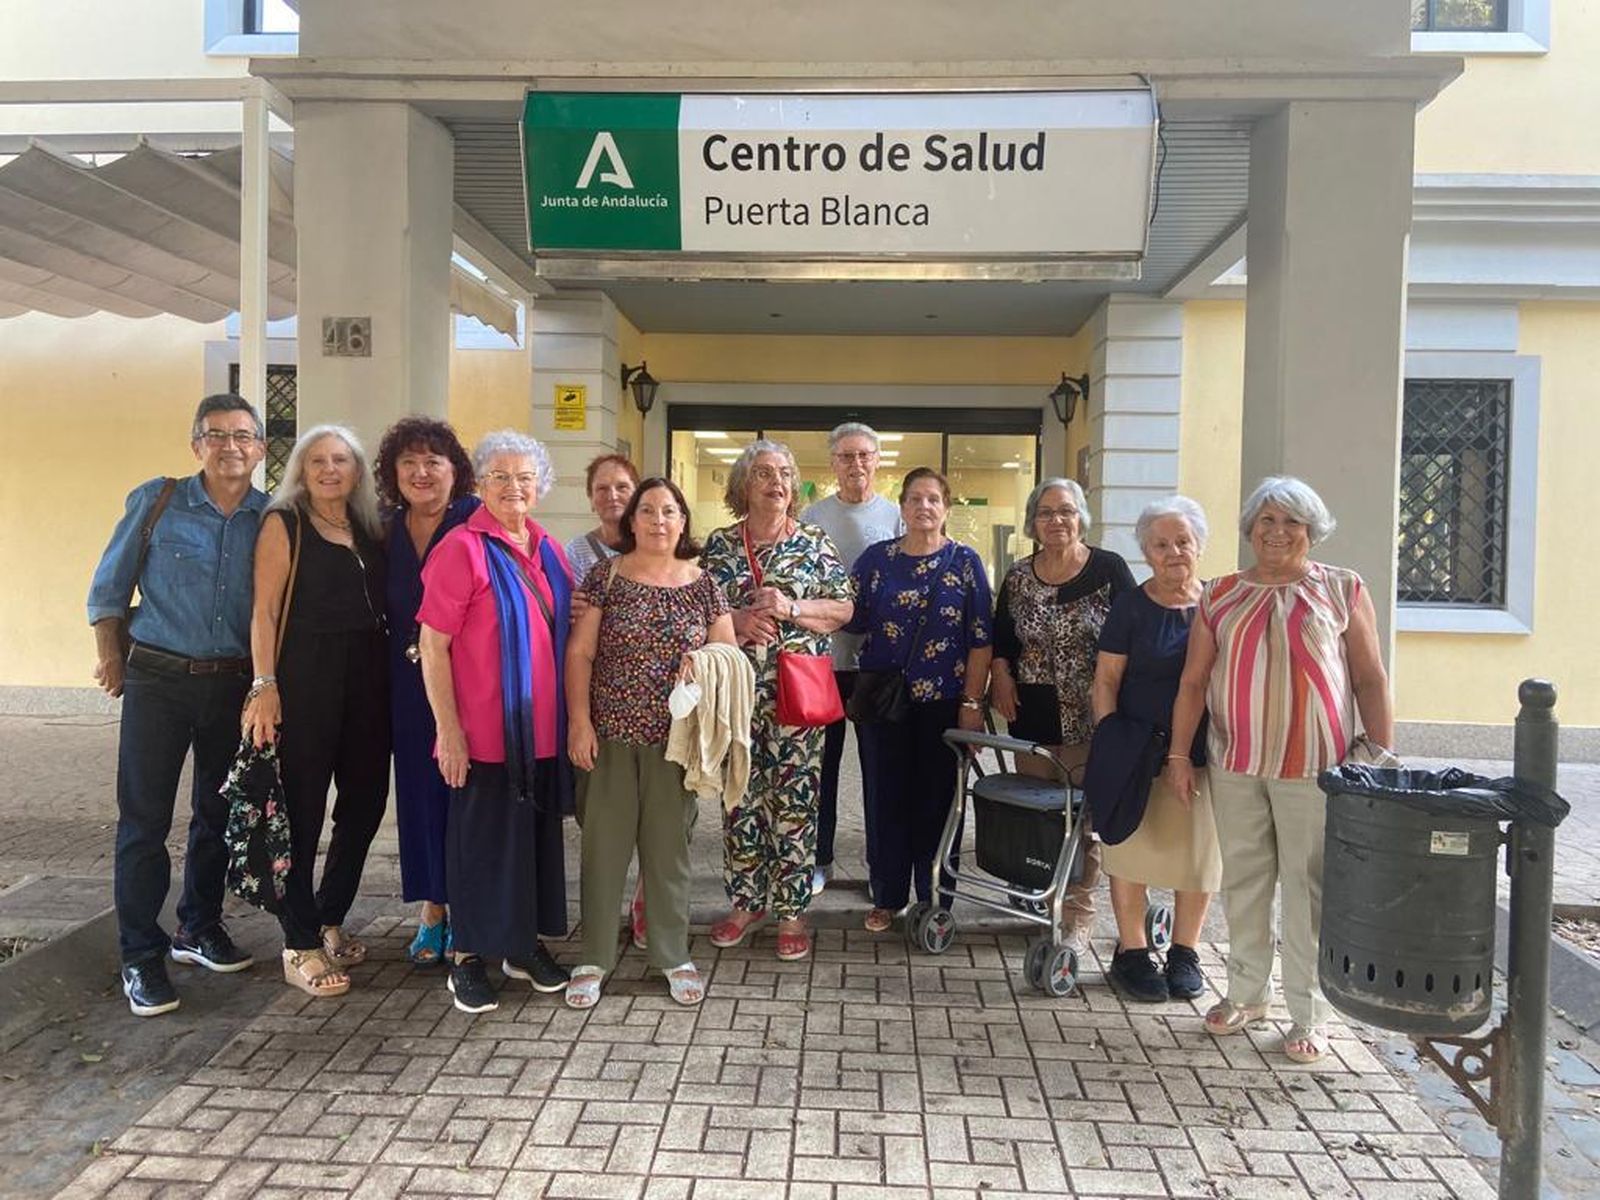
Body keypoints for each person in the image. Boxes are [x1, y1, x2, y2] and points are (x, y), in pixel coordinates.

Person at [1168, 476, 1394, 1064]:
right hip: (1236, 761)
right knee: (1244, 881)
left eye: (1292, 521)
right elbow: (1193, 681)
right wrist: (1178, 755)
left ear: (1311, 530)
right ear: (1250, 528)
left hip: (1315, 768)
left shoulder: (1342, 589)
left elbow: (1370, 679)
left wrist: (1380, 757)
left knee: (1308, 888)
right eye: (1266, 520)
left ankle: (1309, 1012)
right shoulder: (1219, 595)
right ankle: (1247, 994)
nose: (1277, 531)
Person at [88, 394, 268, 1016]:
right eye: (216, 435)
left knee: (217, 814)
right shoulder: (158, 501)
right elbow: (108, 589)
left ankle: (198, 927)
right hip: (157, 681)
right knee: (144, 821)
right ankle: (141, 954)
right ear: (197, 445)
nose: (230, 446)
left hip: (231, 686)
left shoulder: (271, 518)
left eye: (242, 436)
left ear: (260, 448)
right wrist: (111, 655)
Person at [416, 431, 575, 1014]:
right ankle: (466, 957)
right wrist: (448, 730)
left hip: (542, 734)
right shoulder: (461, 549)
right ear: (480, 484)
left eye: (525, 477)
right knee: (481, 846)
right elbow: (432, 647)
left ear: (540, 486)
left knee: (529, 846)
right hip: (483, 736)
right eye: (501, 477)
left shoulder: (548, 547)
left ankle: (520, 946)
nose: (514, 487)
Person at [564, 477, 736, 1008]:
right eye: (647, 511)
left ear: (683, 522)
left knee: (669, 854)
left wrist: (702, 663)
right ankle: (594, 956)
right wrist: (578, 722)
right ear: (631, 521)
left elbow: (728, 655)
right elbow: (580, 653)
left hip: (676, 744)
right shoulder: (606, 576)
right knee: (603, 851)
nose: (659, 521)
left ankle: (672, 954)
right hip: (609, 735)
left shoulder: (704, 584)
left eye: (669, 511)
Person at [242, 426, 390, 1000]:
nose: (330, 470)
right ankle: (297, 939)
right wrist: (264, 684)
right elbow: (264, 611)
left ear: (357, 471)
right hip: (306, 679)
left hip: (369, 679)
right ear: (301, 470)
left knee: (365, 802)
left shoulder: (369, 526)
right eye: (318, 461)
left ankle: (329, 914)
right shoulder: (285, 523)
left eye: (341, 460)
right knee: (302, 810)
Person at [701, 439, 853, 962]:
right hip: (736, 692)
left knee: (795, 801)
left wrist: (791, 608)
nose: (777, 482)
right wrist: (737, 621)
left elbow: (844, 610)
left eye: (785, 473)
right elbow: (697, 610)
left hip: (796, 692)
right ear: (743, 485)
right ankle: (746, 904)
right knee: (739, 797)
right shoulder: (721, 545)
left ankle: (791, 910)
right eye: (764, 473)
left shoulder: (813, 541)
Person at [990, 478, 1135, 951]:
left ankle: (1078, 915)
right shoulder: (1018, 576)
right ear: (1033, 522)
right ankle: (1042, 897)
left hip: (1090, 712)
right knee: (1039, 813)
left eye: (1066, 511)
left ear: (1081, 518)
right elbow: (1001, 638)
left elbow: (1132, 635)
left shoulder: (1109, 569)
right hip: (1030, 712)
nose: (1057, 520)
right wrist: (1001, 674)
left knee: (1082, 816)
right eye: (1046, 512)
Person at [1089, 497, 1222, 1002]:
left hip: (1204, 753)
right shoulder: (1130, 606)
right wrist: (1110, 740)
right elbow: (1106, 679)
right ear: (1146, 552)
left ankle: (1185, 952)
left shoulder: (1218, 604)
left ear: (1199, 545)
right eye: (1161, 544)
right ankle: (1132, 952)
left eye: (1182, 542)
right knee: (1129, 850)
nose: (1173, 553)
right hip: (1137, 749)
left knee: (1198, 855)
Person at [848, 468, 992, 931]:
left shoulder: (965, 562)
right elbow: (848, 615)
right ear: (903, 507)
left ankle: (936, 897)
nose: (924, 507)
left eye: (933, 499)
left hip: (945, 702)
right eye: (914, 499)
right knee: (884, 797)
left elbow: (981, 640)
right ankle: (887, 896)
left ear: (946, 508)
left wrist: (972, 705)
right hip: (884, 701)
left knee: (939, 801)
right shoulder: (876, 561)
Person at [375, 418, 479, 966]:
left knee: (461, 791)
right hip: (405, 683)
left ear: (453, 470)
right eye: (409, 463)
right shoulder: (384, 529)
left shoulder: (474, 520)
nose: (422, 473)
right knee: (418, 793)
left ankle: (465, 904)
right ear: (393, 472)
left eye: (433, 462)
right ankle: (433, 906)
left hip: (467, 679)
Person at [800, 422, 903, 898]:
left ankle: (880, 863)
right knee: (821, 768)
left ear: (877, 460)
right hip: (822, 663)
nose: (855, 464)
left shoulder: (896, 516)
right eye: (846, 456)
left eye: (864, 455)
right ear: (833, 463)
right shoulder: (813, 516)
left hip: (877, 668)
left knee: (880, 770)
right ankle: (818, 859)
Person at [564, 453, 640, 581]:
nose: (613, 496)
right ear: (591, 498)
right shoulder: (577, 552)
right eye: (602, 488)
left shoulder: (653, 543)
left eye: (622, 487)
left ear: (637, 494)